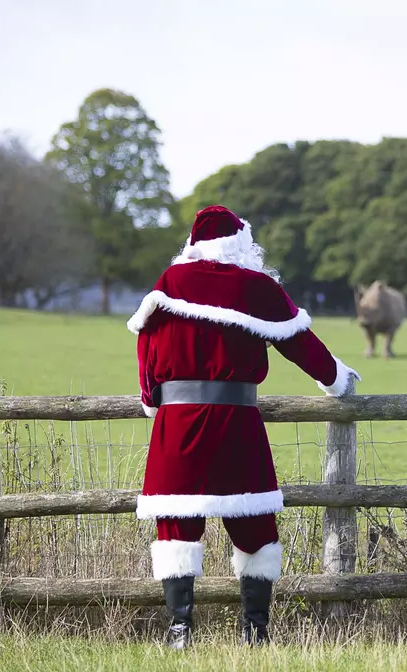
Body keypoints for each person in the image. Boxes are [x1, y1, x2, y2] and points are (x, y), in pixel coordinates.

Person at [127, 205, 361, 648]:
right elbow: (301, 344)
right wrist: (337, 379)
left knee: (176, 522)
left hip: (177, 422)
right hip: (237, 421)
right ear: (241, 243)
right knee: (253, 520)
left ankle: (179, 630)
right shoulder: (257, 288)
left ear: (193, 244)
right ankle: (255, 630)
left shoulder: (170, 284)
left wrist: (150, 399)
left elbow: (147, 351)